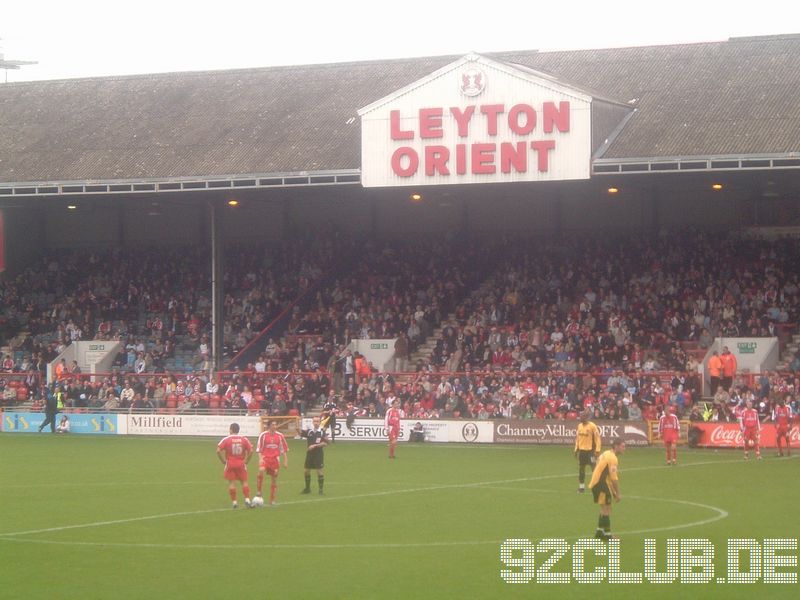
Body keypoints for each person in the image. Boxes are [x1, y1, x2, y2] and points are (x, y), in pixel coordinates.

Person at [589, 439, 625, 540]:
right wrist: (617, 493)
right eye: (623, 446)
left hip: (596, 483)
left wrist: (613, 492)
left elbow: (600, 468)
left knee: (604, 508)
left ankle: (600, 532)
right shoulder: (613, 458)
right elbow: (614, 478)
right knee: (607, 509)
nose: (624, 449)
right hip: (601, 484)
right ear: (616, 446)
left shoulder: (606, 453)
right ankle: (608, 535)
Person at [216, 423, 254, 508]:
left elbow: (218, 450)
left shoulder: (226, 439)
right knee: (244, 482)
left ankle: (234, 502)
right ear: (238, 430)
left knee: (232, 482)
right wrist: (247, 460)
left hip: (230, 463)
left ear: (231, 430)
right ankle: (247, 499)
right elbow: (251, 451)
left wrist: (223, 461)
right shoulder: (244, 439)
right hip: (241, 463)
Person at [255, 420, 289, 505]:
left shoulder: (280, 436)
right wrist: (260, 459)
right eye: (273, 424)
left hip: (275, 459)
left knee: (274, 479)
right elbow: (259, 449)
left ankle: (272, 500)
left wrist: (285, 461)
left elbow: (283, 449)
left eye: (275, 424)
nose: (275, 426)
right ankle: (259, 491)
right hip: (265, 458)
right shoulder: (263, 435)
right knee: (261, 470)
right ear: (269, 426)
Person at [574, 410, 601, 493]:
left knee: (594, 468)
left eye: (582, 416)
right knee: (581, 469)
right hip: (582, 451)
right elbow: (578, 439)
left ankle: (597, 486)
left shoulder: (592, 426)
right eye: (580, 416)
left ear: (586, 417)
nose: (580, 418)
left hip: (590, 451)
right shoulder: (579, 426)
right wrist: (576, 449)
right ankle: (581, 487)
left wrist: (597, 450)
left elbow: (597, 438)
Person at [301, 416, 328, 495]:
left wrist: (315, 446)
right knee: (306, 471)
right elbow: (301, 433)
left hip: (318, 454)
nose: (316, 423)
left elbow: (325, 443)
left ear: (320, 422)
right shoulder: (309, 431)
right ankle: (307, 488)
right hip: (309, 454)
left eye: (317, 421)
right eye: (314, 421)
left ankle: (320, 490)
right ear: (312, 422)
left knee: (319, 471)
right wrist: (297, 427)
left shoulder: (322, 432)